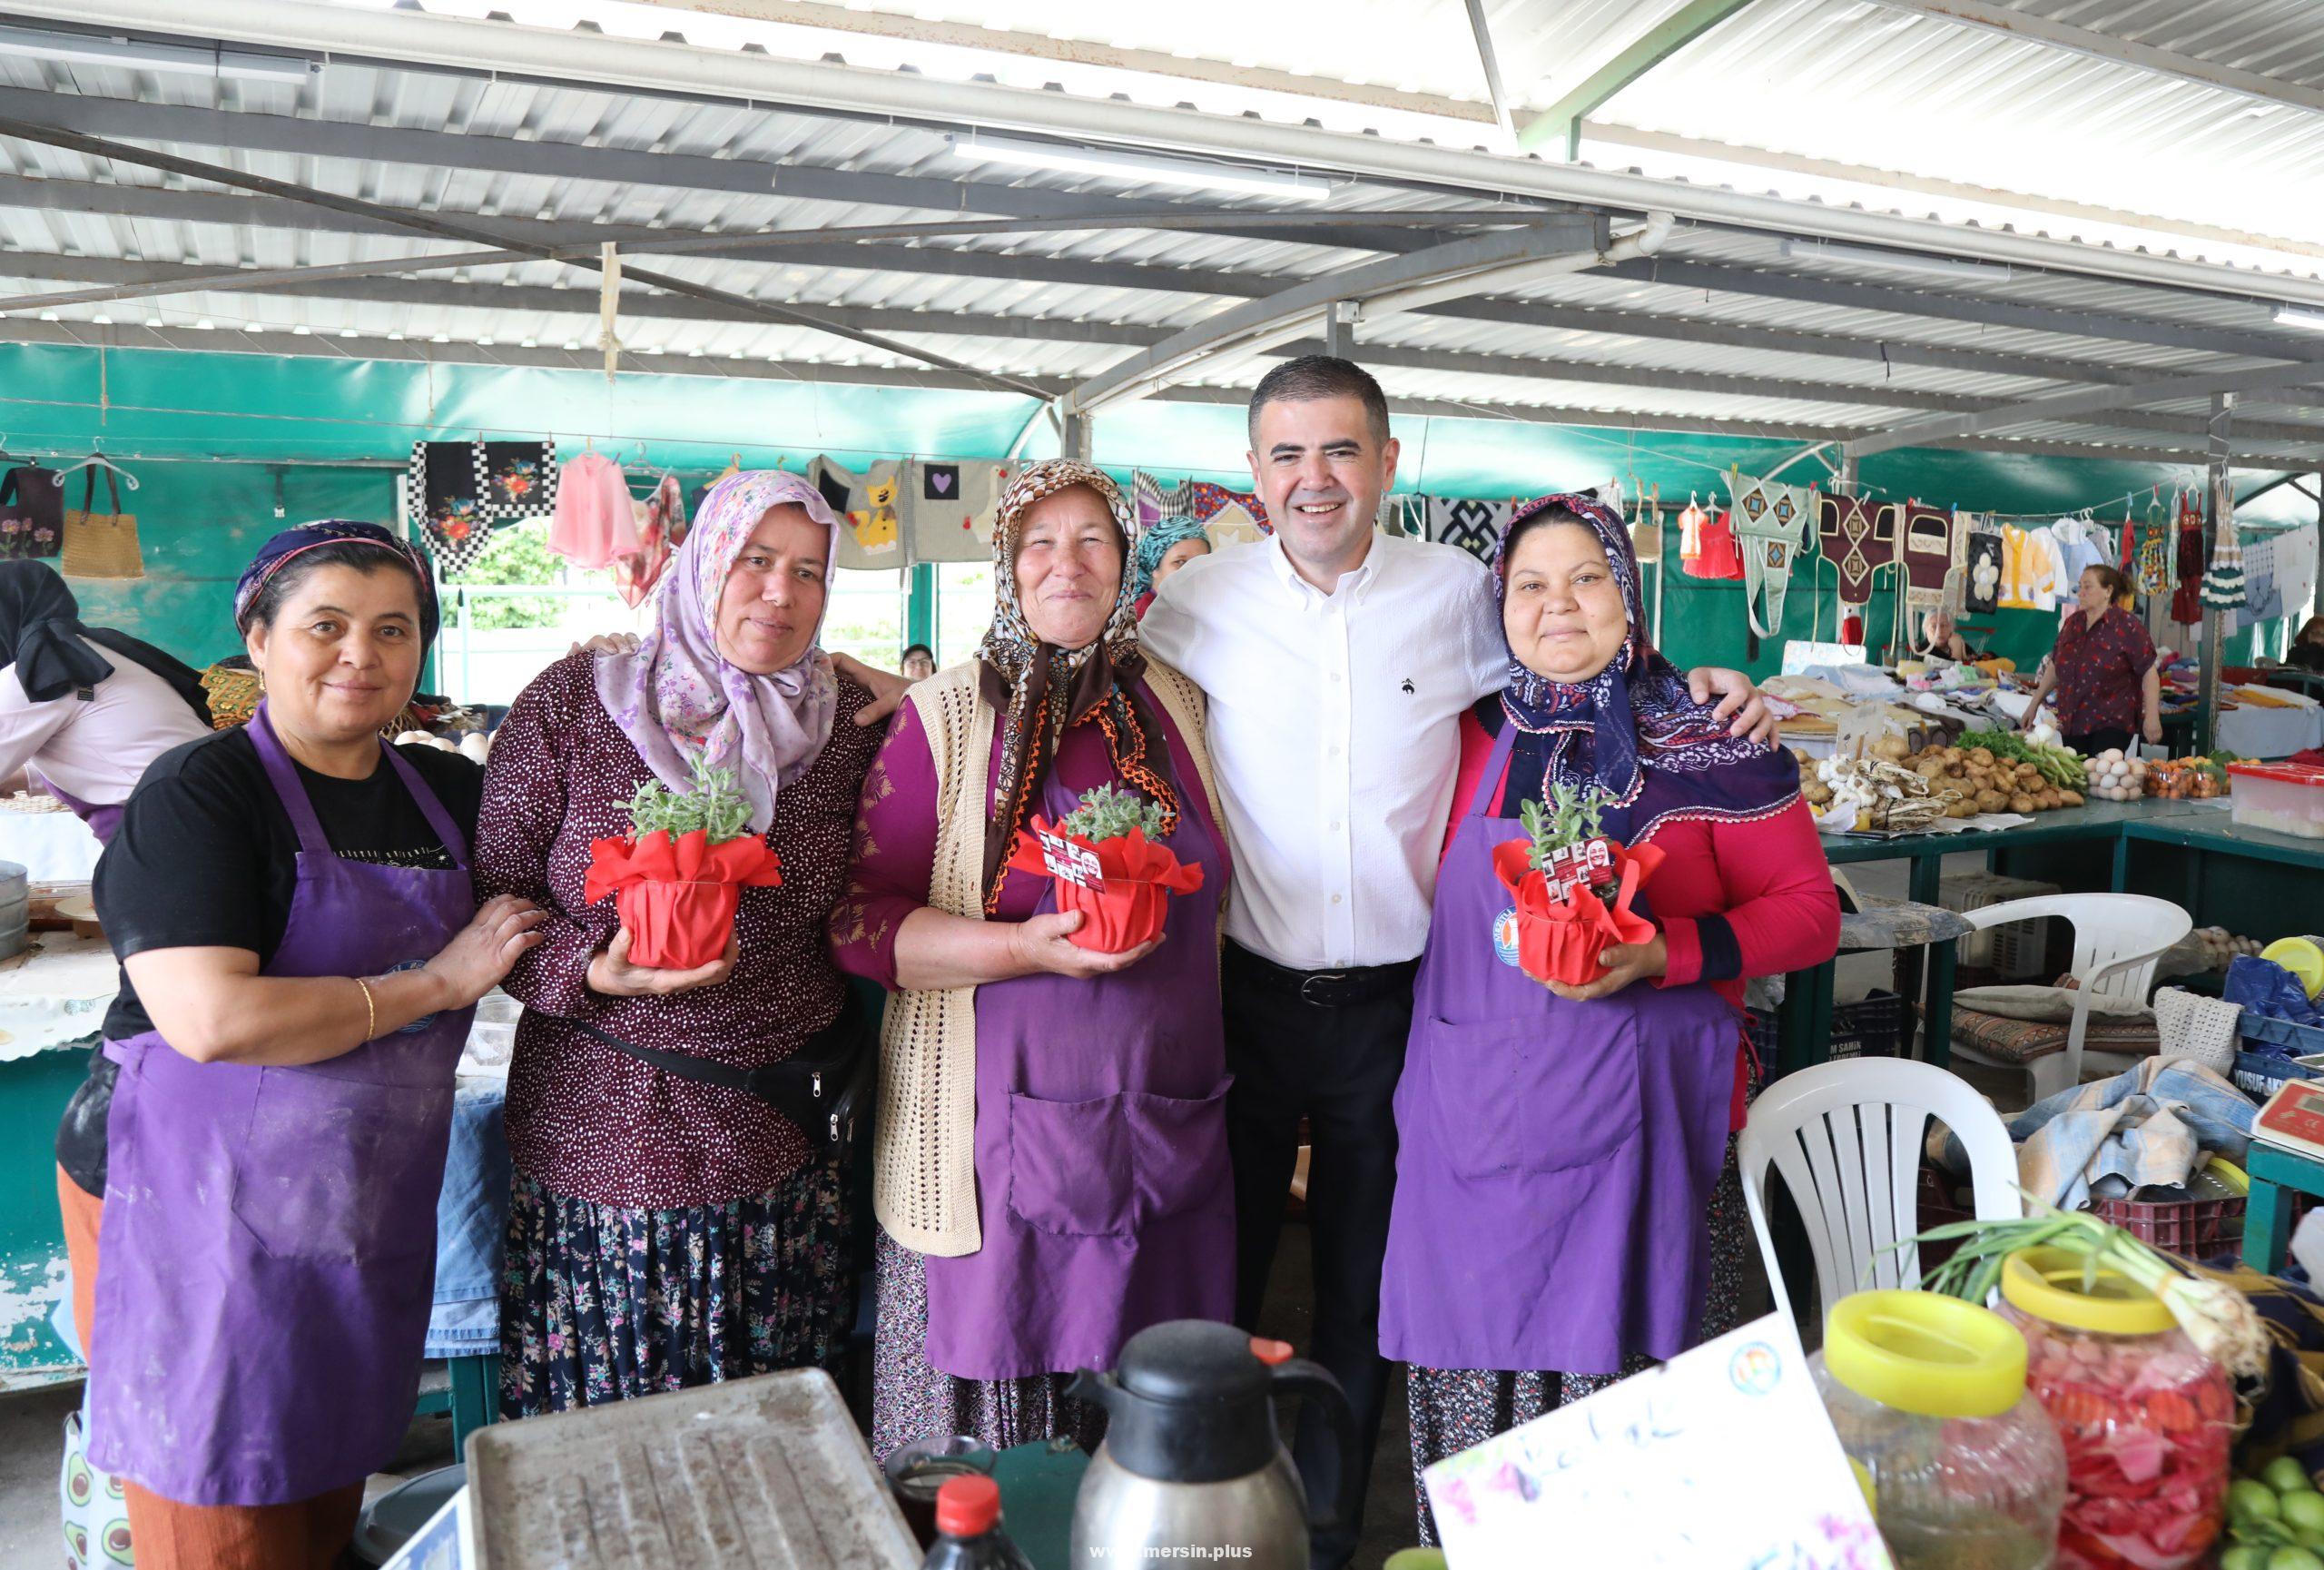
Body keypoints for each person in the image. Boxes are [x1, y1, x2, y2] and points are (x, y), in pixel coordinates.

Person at [1137, 356, 1769, 1567]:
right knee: (1219, 1273)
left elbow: (1579, 647)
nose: (1313, 479)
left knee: (1369, 1292)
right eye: (1286, 455)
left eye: (1338, 452)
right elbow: (1089, 674)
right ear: (1255, 475)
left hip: (1399, 1010)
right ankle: (1213, 1524)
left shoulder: (1460, 595)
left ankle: (1327, 1532)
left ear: (1385, 462)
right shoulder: (1198, 599)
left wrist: (1712, 688)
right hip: (1244, 1002)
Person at [59, 520, 544, 1570]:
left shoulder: (447, 793)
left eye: (392, 629)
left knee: (325, 1481)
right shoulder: (201, 794)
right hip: (188, 1204)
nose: (359, 654)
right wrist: (437, 982)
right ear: (259, 638)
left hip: (353, 1198)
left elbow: (546, 910)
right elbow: (213, 1020)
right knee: (220, 1503)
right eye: (325, 625)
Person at [1378, 492, 1841, 1545]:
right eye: (1529, 585)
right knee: (1480, 1409)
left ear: (1628, 595)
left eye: (1585, 577)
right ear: (1499, 603)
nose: (1557, 606)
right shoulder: (1457, 734)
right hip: (1474, 1134)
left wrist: (1665, 953)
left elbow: (1809, 916)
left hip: (1645, 1140)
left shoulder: (1715, 738)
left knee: (1644, 1419)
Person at [831, 459, 1235, 1463]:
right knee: (995, 1466)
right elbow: (858, 919)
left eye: (1092, 539)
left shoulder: (1178, 706)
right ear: (1005, 566)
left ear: (1124, 560)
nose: (1068, 563)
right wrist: (1019, 946)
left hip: (1165, 1125)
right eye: (1039, 543)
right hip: (985, 1148)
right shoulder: (949, 718)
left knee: (1148, 1438)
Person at [478, 470, 885, 1417]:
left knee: (772, 1427)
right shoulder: (578, 701)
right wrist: (591, 971)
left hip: (780, 1140)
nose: (780, 593)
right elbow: (492, 892)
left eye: (810, 571)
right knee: (613, 1430)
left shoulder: (851, 722)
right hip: (604, 1142)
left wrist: (908, 681)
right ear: (702, 560)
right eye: (754, 560)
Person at [0, 559, 211, 841]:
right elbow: (107, 755)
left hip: (173, 825)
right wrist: (23, 779)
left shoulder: (38, 670)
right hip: (202, 807)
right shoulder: (87, 654)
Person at [2017, 563, 2162, 754]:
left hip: (2112, 722)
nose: (2080, 592)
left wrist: (2152, 717)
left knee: (2101, 775)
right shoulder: (2072, 624)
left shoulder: (2127, 626)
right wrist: (2033, 704)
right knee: (2079, 777)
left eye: (2088, 586)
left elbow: (2149, 672)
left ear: (2108, 591)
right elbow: (2055, 667)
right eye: (2080, 587)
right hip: (2073, 720)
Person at [1130, 513, 1211, 616]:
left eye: (1201, 562)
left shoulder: (1200, 612)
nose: (1193, 571)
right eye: (1180, 562)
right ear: (1154, 567)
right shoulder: (1143, 621)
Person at [1916, 606, 1986, 666]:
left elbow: (1979, 665)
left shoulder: (1958, 642)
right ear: (1925, 630)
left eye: (1944, 625)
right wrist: (1957, 650)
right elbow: (1952, 676)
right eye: (1934, 626)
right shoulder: (1922, 652)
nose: (1939, 631)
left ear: (1951, 628)